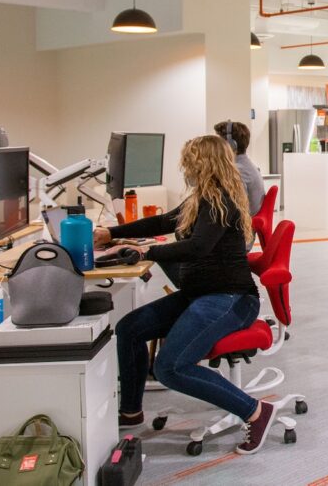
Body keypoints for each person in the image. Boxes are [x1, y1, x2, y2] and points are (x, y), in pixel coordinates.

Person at [95, 135, 276, 456]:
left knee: (171, 367)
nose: (184, 167)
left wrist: (147, 251)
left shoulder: (219, 201)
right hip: (202, 294)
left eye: (189, 161)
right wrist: (113, 233)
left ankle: (255, 411)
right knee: (129, 329)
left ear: (203, 164)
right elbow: (165, 221)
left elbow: (198, 247)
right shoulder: (201, 198)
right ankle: (131, 410)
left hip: (230, 299)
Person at [215, 121, 264, 216]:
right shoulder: (245, 164)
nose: (216, 147)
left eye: (219, 143)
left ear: (231, 145)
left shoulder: (238, 170)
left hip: (242, 225)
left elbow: (237, 209)